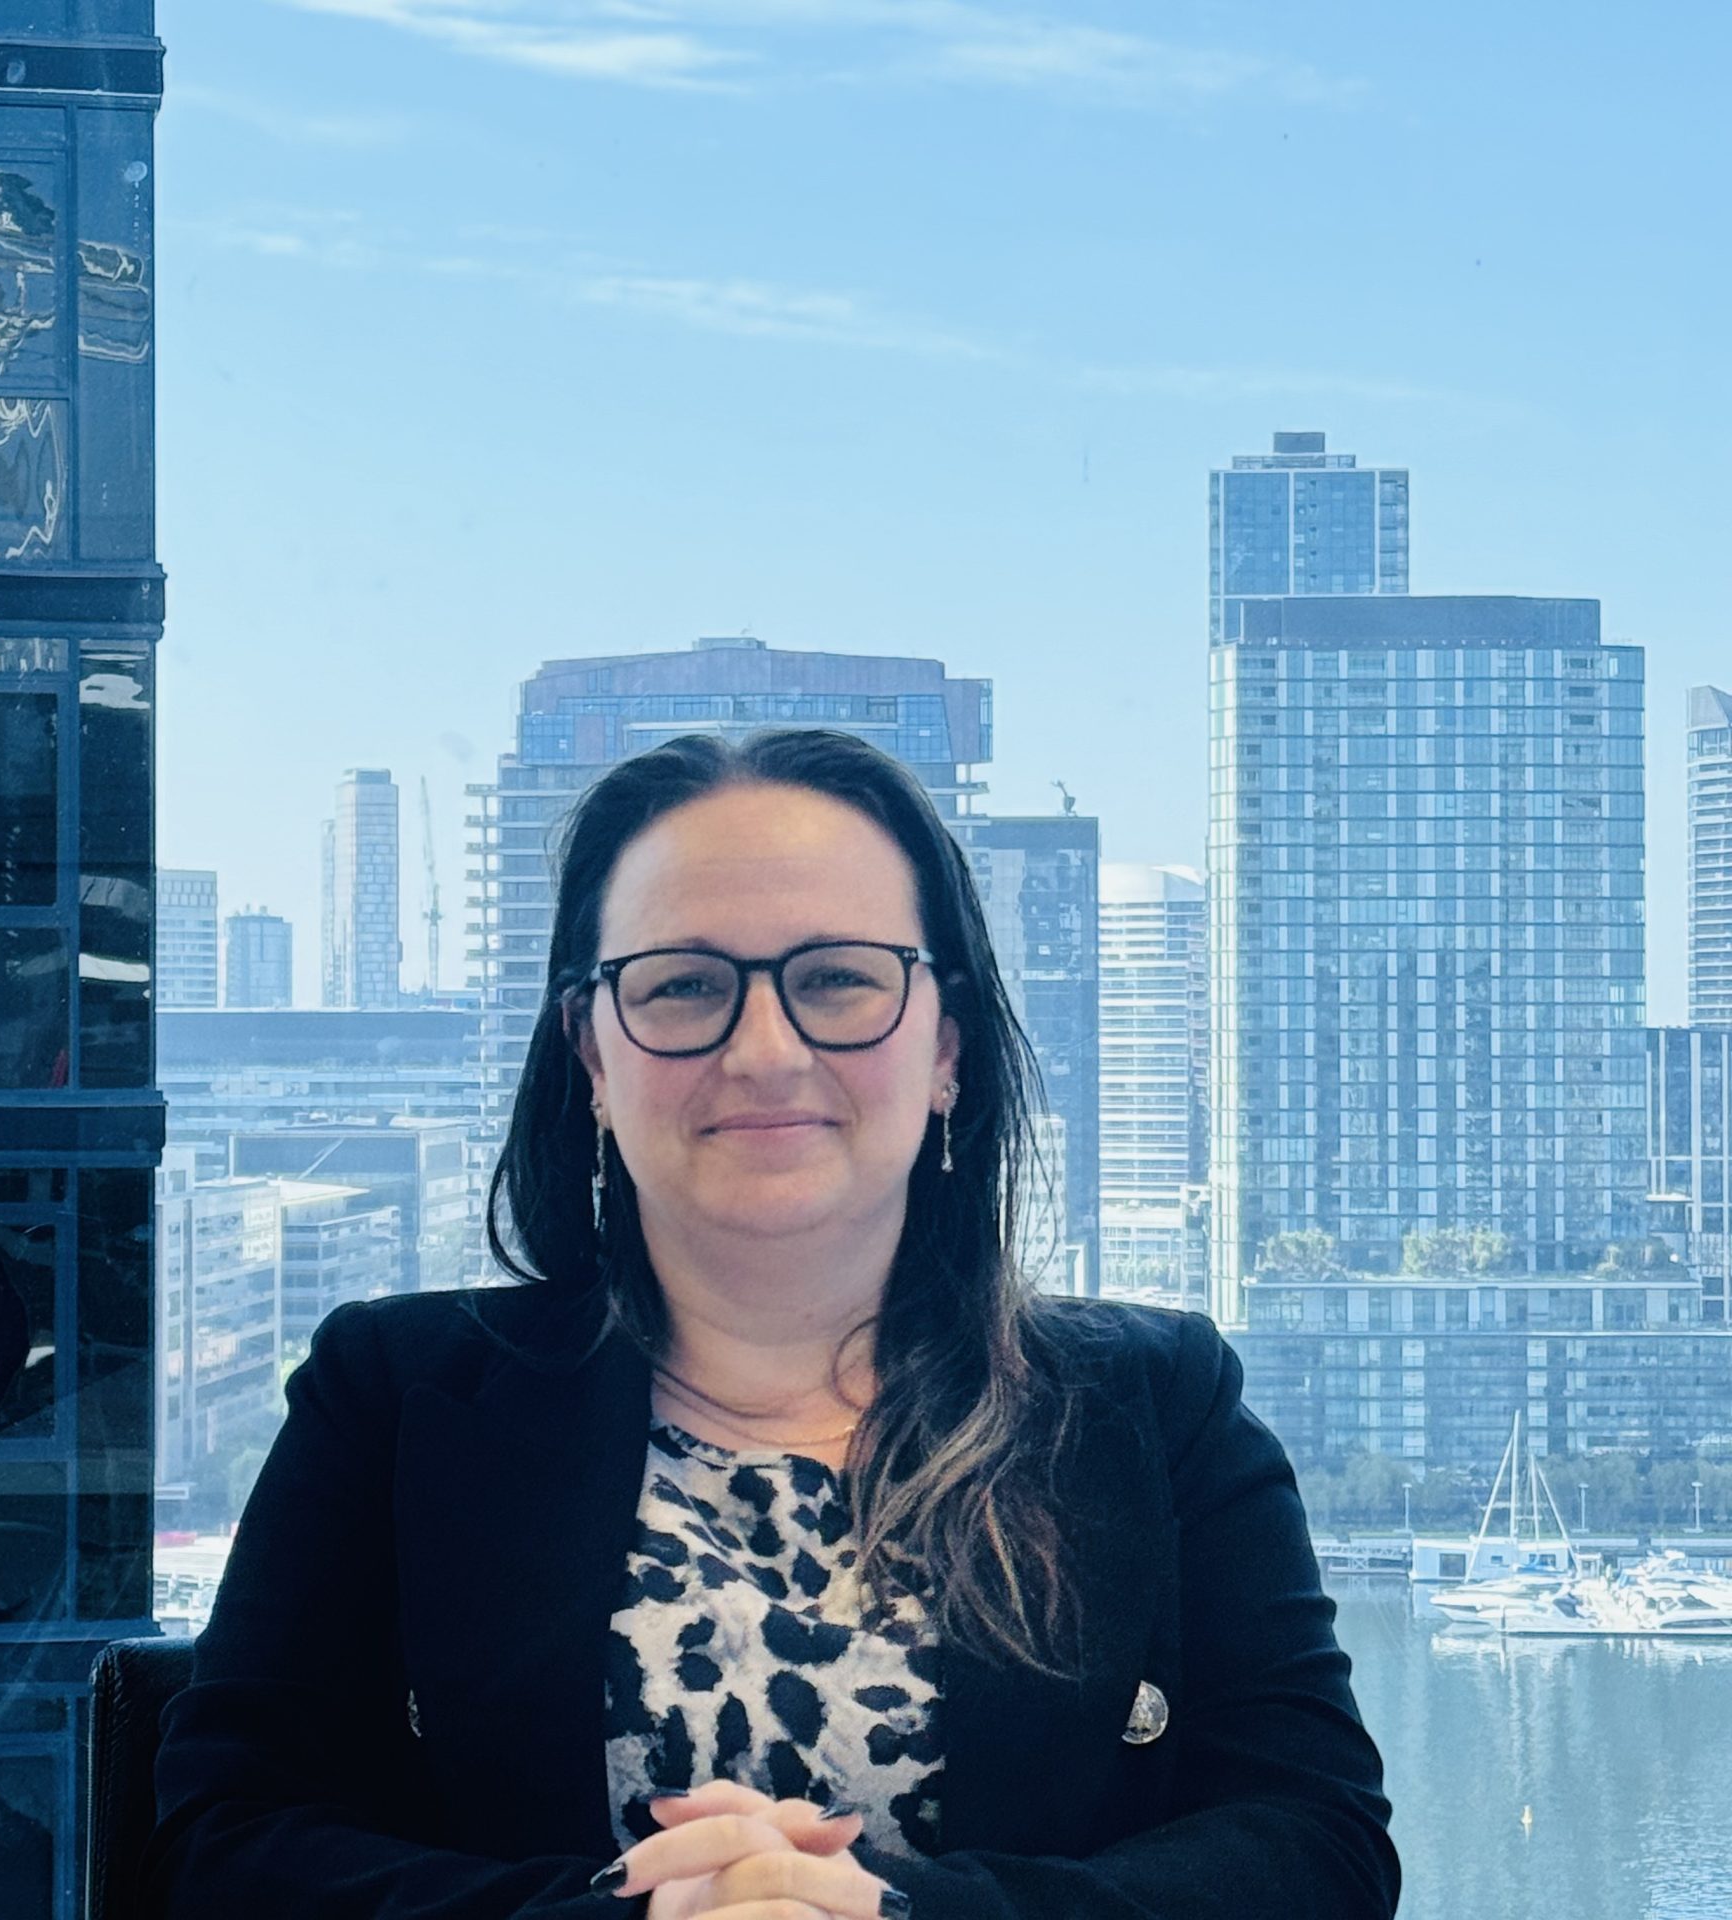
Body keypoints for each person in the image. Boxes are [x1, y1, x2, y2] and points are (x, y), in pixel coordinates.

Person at [143, 728, 1399, 1920]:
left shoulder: (1157, 1407)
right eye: (685, 985)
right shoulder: (391, 1398)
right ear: (591, 1055)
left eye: (837, 979)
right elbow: (220, 1842)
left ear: (947, 1048)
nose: (764, 1049)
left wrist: (895, 1916)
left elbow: (1318, 1844)